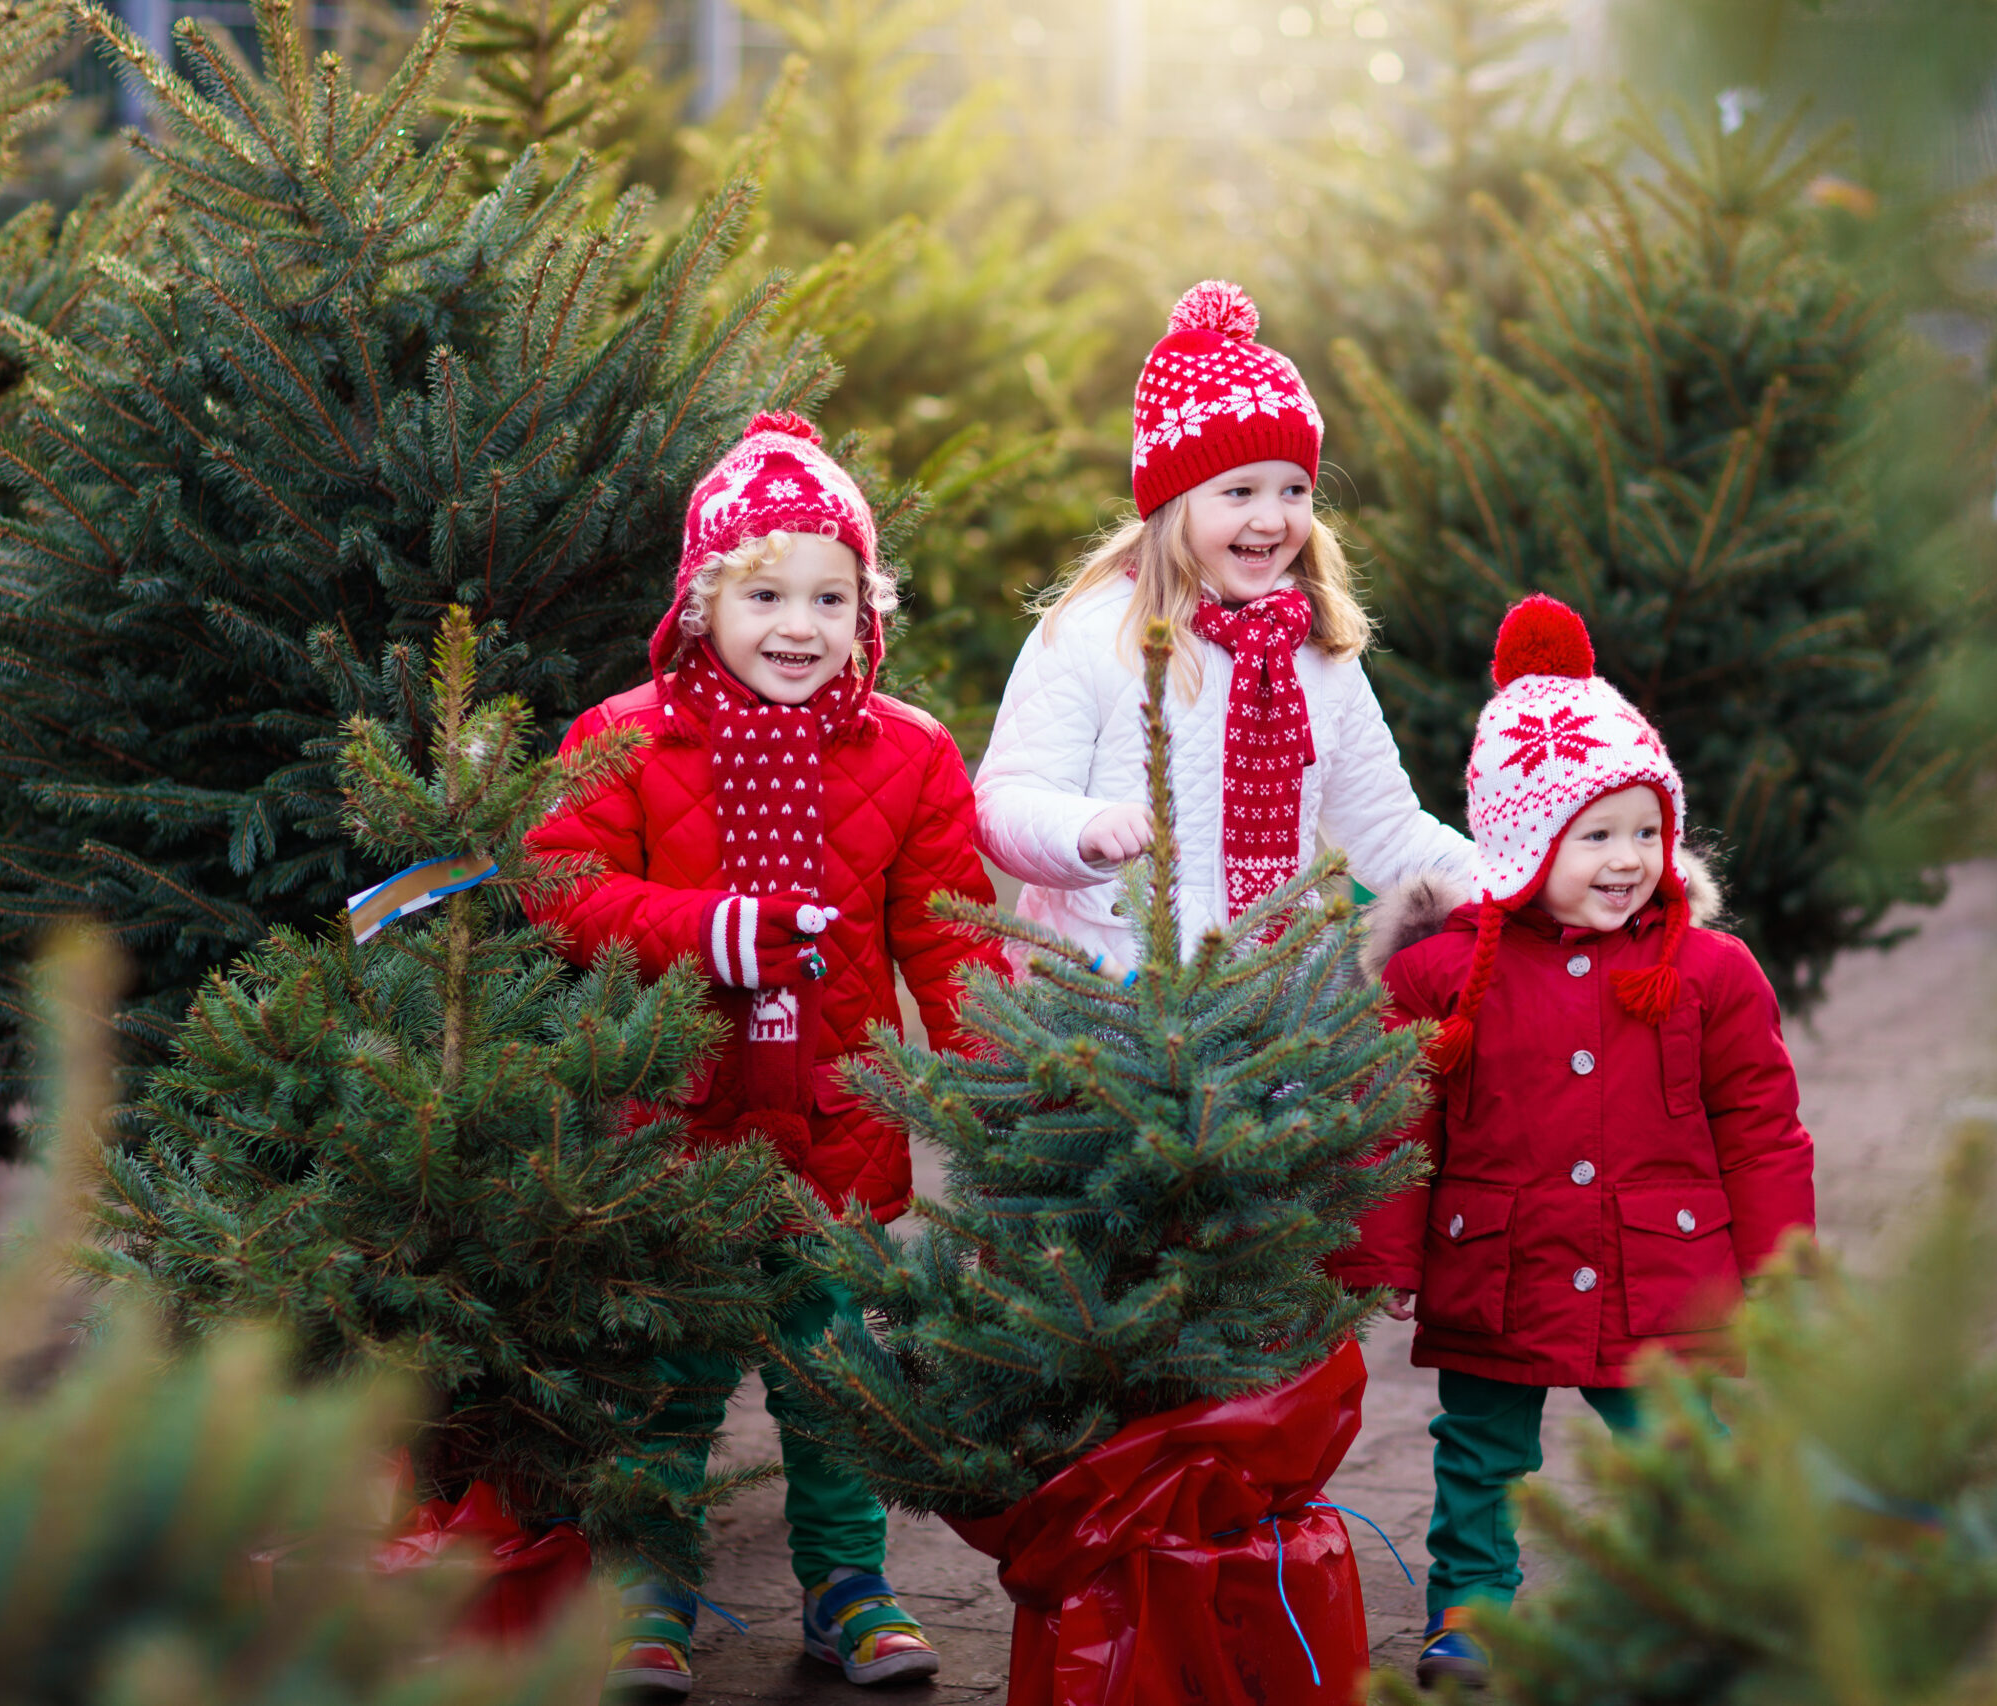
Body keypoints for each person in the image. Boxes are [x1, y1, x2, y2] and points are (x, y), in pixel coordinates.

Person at [526, 412, 1001, 1697]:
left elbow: (948, 934)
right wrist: (712, 932)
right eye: (766, 592)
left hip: (837, 1131)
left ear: (867, 609)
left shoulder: (905, 752)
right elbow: (561, 889)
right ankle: (649, 1593)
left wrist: (990, 1077)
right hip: (671, 1129)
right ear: (700, 604)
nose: (799, 623)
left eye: (830, 595)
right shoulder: (625, 737)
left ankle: (848, 1585)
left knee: (834, 1376)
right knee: (667, 1390)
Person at [1338, 593, 1817, 1687]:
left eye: (1646, 830)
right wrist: (1385, 1255)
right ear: (1516, 844)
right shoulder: (1440, 977)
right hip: (1497, 1255)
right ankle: (1470, 1605)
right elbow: (1392, 1125)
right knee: (1481, 1450)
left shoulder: (1708, 973)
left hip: (1663, 1262)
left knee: (1682, 1437)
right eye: (1592, 834)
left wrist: (1777, 1256)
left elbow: (1761, 1126)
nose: (1625, 858)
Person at [974, 279, 1469, 967]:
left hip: (1274, 1010)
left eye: (1293, 490)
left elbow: (1385, 830)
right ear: (1174, 501)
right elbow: (1005, 802)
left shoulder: (1315, 651)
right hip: (1113, 1008)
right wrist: (1081, 830)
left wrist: (1513, 887)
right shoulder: (1092, 633)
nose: (1272, 518)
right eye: (1239, 492)